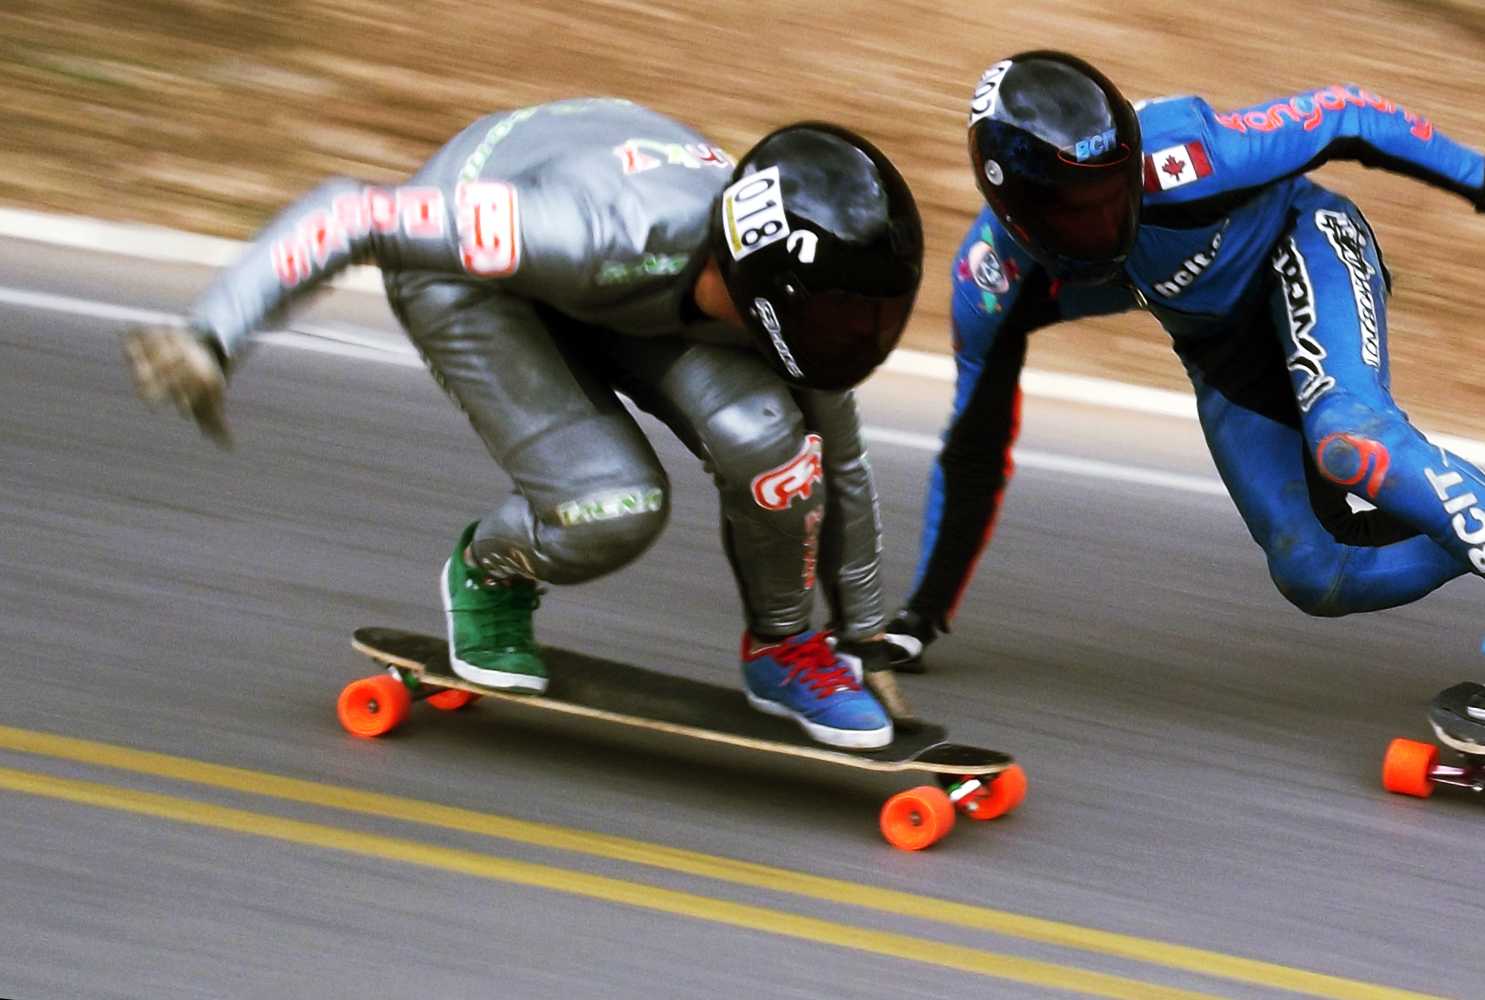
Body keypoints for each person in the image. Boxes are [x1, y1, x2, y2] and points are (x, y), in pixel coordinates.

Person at [884, 51, 1485, 730]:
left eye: (1117, 189)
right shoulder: (992, 282)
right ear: (1015, 215)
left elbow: (1346, 116)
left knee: (1351, 441)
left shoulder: (1183, 151)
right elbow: (974, 447)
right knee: (1320, 574)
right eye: (1080, 212)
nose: (1112, 218)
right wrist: (925, 613)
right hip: (1221, 349)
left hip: (1302, 243)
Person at [124, 98, 924, 749]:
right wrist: (213, 335)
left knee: (775, 446)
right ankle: (488, 572)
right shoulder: (586, 233)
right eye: (848, 314)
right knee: (614, 508)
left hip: (632, 286)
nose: (863, 339)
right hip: (475, 280)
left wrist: (859, 639)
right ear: (772, 282)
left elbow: (841, 467)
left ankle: (785, 650)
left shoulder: (782, 308)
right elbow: (352, 213)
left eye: (880, 316)